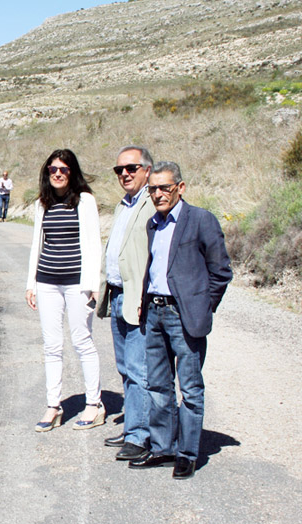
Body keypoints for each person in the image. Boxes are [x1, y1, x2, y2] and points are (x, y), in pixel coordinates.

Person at [129, 162, 232, 479]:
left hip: (184, 315)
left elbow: (220, 271)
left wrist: (202, 307)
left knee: (190, 388)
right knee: (158, 386)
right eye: (153, 189)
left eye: (165, 188)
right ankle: (163, 448)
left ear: (181, 188)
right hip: (155, 313)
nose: (158, 194)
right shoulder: (153, 224)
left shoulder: (201, 220)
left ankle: (187, 454)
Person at [25, 149, 103, 432]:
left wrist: (94, 285)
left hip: (77, 283)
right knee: (52, 345)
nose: (57, 174)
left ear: (72, 172)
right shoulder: (42, 203)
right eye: (53, 169)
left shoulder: (84, 201)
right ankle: (53, 406)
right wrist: (31, 283)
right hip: (47, 281)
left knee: (82, 341)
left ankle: (94, 404)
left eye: (64, 169)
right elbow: (37, 243)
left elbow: (94, 243)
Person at [96, 146, 156, 462]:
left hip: (138, 299)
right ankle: (133, 425)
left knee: (138, 368)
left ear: (147, 169)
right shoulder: (124, 204)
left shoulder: (153, 202)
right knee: (125, 367)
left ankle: (140, 436)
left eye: (131, 168)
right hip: (117, 295)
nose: (124, 174)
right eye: (119, 170)